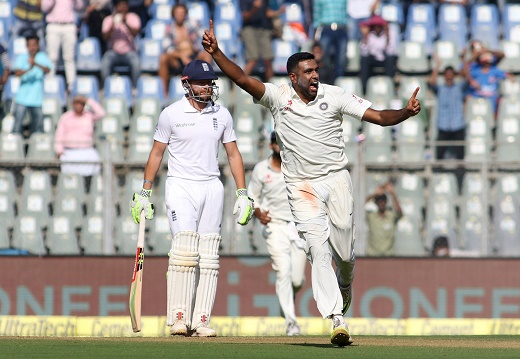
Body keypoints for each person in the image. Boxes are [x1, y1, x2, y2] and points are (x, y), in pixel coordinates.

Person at [202, 20, 421, 347]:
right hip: (301, 186)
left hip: (336, 179)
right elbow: (241, 79)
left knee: (344, 254)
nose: (315, 75)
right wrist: (217, 52)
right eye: (308, 71)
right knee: (318, 249)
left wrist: (404, 113)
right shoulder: (278, 97)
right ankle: (337, 319)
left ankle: (345, 284)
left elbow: (376, 116)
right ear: (293, 77)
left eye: (316, 69)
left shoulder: (334, 96)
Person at [129, 59, 254, 337]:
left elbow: (233, 154)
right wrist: (145, 191)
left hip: (212, 186)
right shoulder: (171, 114)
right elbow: (157, 153)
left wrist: (243, 193)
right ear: (187, 84)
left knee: (209, 255)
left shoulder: (222, 114)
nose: (208, 87)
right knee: (185, 250)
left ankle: (201, 320)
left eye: (211, 83)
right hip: (180, 185)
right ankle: (178, 317)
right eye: (202, 82)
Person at [248, 131, 307, 336]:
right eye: (277, 143)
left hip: (298, 227)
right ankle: (291, 323)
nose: (280, 147)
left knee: (297, 280)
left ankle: (287, 302)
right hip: (274, 226)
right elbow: (251, 197)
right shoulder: (260, 169)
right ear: (272, 146)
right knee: (283, 271)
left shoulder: (297, 167)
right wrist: (257, 212)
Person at [159, 3, 212, 99]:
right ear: (173, 14)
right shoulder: (169, 28)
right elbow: (167, 47)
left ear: (185, 14)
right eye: (177, 13)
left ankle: (207, 89)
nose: (180, 15)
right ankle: (164, 94)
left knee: (206, 55)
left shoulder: (193, 24)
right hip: (178, 59)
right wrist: (181, 56)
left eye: (182, 13)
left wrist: (201, 50)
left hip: (194, 57)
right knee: (163, 58)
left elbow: (204, 36)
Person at [54, 96, 106, 176]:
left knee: (95, 163)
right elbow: (59, 135)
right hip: (69, 151)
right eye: (76, 103)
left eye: (81, 103)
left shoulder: (89, 116)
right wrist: (59, 150)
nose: (78, 106)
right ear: (72, 104)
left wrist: (88, 100)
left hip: (87, 150)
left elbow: (102, 113)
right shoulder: (65, 117)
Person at [12, 34, 52, 136]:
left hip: (37, 99)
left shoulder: (42, 57)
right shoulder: (22, 57)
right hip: (22, 98)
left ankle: (36, 150)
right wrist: (29, 67)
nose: (32, 47)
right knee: (17, 126)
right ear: (27, 46)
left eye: (34, 45)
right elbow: (17, 73)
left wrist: (36, 64)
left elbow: (48, 70)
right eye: (30, 45)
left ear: (38, 46)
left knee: (38, 128)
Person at [428, 58, 466, 161]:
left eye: (451, 74)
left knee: (460, 155)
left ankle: (460, 174)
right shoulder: (440, 89)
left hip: (457, 125)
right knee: (439, 154)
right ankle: (439, 174)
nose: (449, 76)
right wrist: (437, 66)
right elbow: (431, 83)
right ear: (444, 76)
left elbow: (467, 79)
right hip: (443, 125)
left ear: (454, 75)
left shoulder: (459, 87)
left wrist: (464, 61)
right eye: (447, 74)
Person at [42, 0, 84, 92]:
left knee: (69, 58)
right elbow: (44, 7)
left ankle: (71, 87)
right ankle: (50, 85)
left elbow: (80, 6)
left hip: (69, 26)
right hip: (53, 25)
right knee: (52, 58)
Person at [101, 0, 141, 87]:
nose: (122, 7)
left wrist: (125, 22)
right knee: (105, 60)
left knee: (136, 62)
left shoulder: (133, 17)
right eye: (120, 5)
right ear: (116, 7)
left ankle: (135, 88)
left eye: (124, 5)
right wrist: (113, 23)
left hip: (129, 52)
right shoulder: (108, 19)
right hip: (113, 52)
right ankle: (106, 87)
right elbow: (105, 37)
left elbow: (135, 33)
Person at [359, 15, 397, 94]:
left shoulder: (390, 33)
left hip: (384, 58)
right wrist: (365, 37)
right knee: (364, 60)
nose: (377, 28)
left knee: (390, 59)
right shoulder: (369, 34)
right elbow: (364, 52)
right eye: (375, 26)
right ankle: (364, 88)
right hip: (373, 58)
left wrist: (387, 36)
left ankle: (390, 85)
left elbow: (390, 51)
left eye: (379, 26)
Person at [313, 0, 349, 83]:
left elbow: (346, 12)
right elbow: (316, 15)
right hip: (326, 28)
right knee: (324, 56)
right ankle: (324, 81)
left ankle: (339, 82)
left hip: (341, 28)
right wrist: (315, 33)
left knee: (341, 58)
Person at [239, 0, 276, 81]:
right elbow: (245, 17)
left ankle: (273, 88)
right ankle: (239, 85)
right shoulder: (244, 1)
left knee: (268, 60)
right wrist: (255, 8)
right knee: (252, 59)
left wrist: (278, 12)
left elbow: (267, 12)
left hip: (265, 29)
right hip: (250, 29)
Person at [365, 182, 402, 256]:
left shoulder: (391, 216)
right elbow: (360, 205)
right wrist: (375, 194)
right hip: (372, 255)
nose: (381, 203)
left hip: (388, 255)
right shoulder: (371, 216)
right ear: (376, 203)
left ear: (386, 202)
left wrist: (392, 194)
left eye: (383, 201)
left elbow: (400, 212)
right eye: (379, 201)